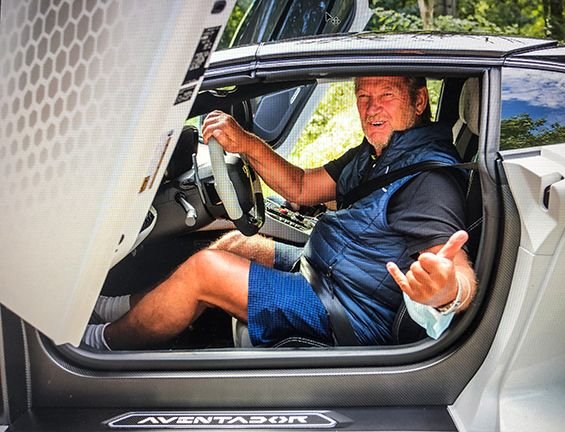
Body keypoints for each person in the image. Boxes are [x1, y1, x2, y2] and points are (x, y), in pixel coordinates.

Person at [82, 75, 477, 350]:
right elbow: (301, 187)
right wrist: (245, 143)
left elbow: (457, 272)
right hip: (323, 272)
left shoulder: (428, 179)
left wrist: (445, 292)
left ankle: (99, 344)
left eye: (386, 95)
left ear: (419, 101)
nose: (371, 108)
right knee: (238, 244)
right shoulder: (376, 154)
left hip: (345, 312)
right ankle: (117, 308)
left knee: (207, 269)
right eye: (363, 96)